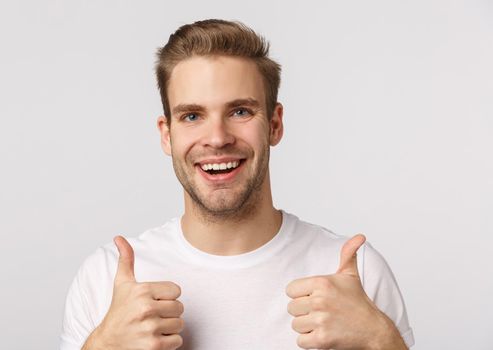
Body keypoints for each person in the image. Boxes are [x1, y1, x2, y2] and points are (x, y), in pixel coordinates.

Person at [60, 19, 414, 350]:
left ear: (274, 125)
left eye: (240, 111)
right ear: (167, 136)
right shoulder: (106, 278)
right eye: (192, 116)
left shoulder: (353, 272)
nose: (217, 138)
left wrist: (383, 341)